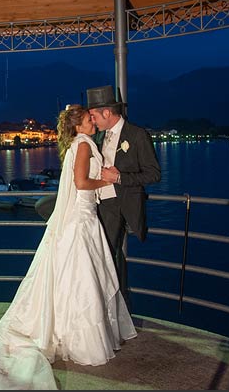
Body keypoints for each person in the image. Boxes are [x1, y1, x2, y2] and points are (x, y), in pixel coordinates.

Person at [0, 105, 137, 390]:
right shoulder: (82, 146)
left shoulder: (80, 144)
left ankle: (73, 333)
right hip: (81, 220)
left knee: (78, 281)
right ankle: (81, 339)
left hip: (85, 217)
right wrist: (107, 180)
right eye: (87, 119)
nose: (93, 121)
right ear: (78, 125)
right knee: (82, 280)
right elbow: (81, 183)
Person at [87, 85, 161, 306]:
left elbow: (154, 174)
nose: (93, 121)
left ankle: (117, 305)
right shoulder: (99, 136)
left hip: (118, 204)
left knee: (108, 255)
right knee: (99, 254)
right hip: (97, 204)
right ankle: (105, 304)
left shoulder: (137, 135)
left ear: (107, 113)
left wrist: (119, 177)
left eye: (93, 116)